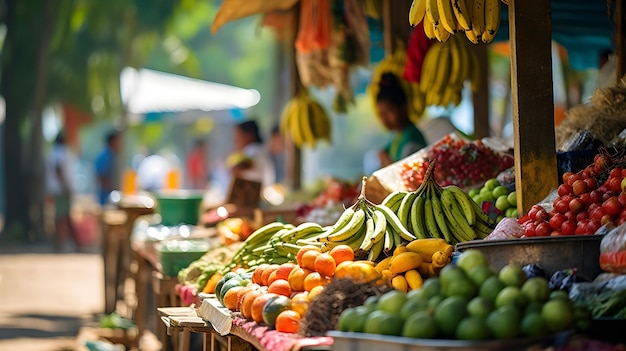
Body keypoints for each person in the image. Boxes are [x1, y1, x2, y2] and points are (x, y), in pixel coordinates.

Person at [376, 72, 428, 167]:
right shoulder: (397, 136)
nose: (384, 119)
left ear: (403, 108)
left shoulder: (412, 139)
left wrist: (385, 159)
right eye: (381, 114)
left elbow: (405, 176)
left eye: (388, 112)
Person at [45, 131, 79, 251]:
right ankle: (62, 243)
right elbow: (58, 170)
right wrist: (65, 187)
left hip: (57, 190)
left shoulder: (54, 152)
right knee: (62, 217)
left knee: (61, 216)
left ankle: (61, 243)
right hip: (61, 190)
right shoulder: (60, 152)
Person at [228, 120, 275, 188]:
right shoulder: (260, 149)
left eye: (238, 136)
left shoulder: (253, 150)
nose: (236, 141)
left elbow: (242, 166)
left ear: (249, 135)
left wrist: (233, 168)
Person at [95, 130, 122, 206]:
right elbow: (100, 175)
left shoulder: (112, 155)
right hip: (105, 193)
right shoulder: (105, 156)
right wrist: (109, 188)